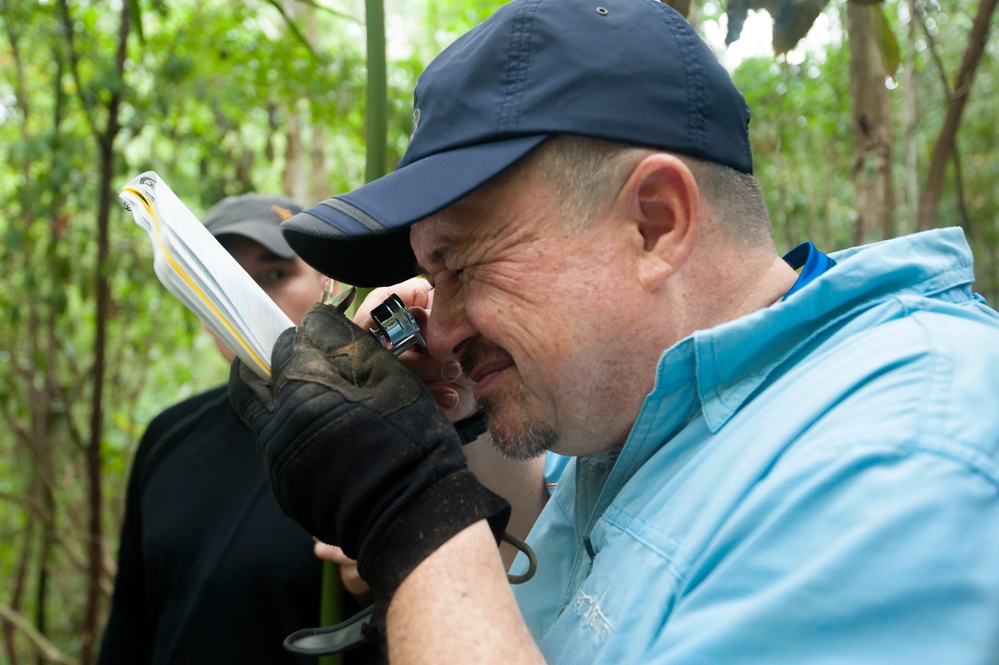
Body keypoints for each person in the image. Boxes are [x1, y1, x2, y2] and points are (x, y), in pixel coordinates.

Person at [228, 0, 999, 663]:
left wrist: (410, 513)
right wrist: (453, 427)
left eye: (463, 263)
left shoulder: (889, 454)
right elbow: (561, 565)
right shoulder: (660, 419)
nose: (445, 319)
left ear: (654, 223)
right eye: (434, 274)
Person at [98, 193, 378, 664]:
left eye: (275, 274)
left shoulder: (376, 439)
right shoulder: (168, 436)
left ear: (326, 286)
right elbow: (130, 624)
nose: (246, 298)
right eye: (222, 280)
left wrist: (380, 585)